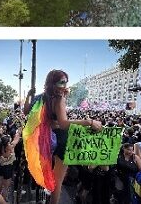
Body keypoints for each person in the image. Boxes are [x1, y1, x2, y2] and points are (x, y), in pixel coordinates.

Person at [23, 70, 102, 204]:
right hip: (61, 140)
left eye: (66, 82)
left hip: (44, 140)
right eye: (61, 82)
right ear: (53, 83)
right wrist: (89, 122)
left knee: (51, 174)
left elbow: (26, 112)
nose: (65, 85)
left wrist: (28, 97)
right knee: (58, 179)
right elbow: (64, 124)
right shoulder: (59, 99)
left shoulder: (40, 97)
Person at [0, 128, 21, 200]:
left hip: (0, 167)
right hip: (7, 168)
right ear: (7, 143)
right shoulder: (9, 147)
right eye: (9, 141)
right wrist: (18, 132)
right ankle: (2, 200)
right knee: (6, 187)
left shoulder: (0, 146)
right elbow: (16, 140)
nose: (10, 142)